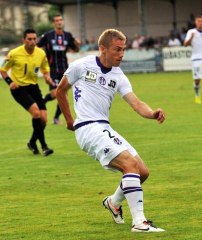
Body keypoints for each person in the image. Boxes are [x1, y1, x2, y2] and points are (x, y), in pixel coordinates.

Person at [56, 29, 166, 232]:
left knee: (142, 172)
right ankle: (140, 223)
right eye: (117, 49)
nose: (122, 54)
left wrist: (152, 113)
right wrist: (70, 120)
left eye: (123, 49)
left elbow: (136, 103)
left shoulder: (119, 75)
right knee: (129, 164)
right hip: (88, 128)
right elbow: (60, 90)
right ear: (103, 48)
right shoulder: (81, 66)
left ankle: (114, 203)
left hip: (103, 126)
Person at [0, 29, 55, 156]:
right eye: (29, 39)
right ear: (23, 40)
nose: (32, 41)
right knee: (36, 113)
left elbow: (45, 69)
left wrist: (47, 76)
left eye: (34, 39)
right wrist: (10, 82)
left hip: (34, 87)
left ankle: (31, 143)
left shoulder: (41, 53)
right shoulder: (14, 53)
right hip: (19, 89)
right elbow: (3, 69)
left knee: (44, 120)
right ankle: (44, 147)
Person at [37, 13, 80, 125]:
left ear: (63, 22)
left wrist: (77, 44)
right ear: (53, 23)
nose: (59, 22)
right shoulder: (48, 35)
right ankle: (41, 102)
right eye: (56, 20)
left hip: (65, 70)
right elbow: (37, 47)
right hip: (52, 70)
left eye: (60, 20)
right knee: (55, 94)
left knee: (63, 96)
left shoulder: (68, 35)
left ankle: (56, 118)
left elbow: (75, 50)